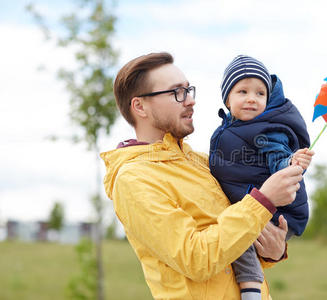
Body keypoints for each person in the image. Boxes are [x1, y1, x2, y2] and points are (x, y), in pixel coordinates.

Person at [100, 52, 305, 300]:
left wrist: (273, 250)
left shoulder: (202, 162)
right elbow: (196, 259)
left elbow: (234, 241)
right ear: (140, 106)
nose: (190, 101)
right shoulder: (134, 179)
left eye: (189, 90)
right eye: (177, 92)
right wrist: (263, 200)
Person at [209, 55, 315, 300]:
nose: (251, 99)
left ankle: (251, 292)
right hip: (251, 201)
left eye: (259, 94)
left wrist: (290, 163)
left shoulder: (268, 129)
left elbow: (279, 159)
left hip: (277, 211)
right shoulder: (230, 128)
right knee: (234, 230)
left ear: (267, 99)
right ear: (227, 98)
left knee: (239, 236)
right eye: (242, 91)